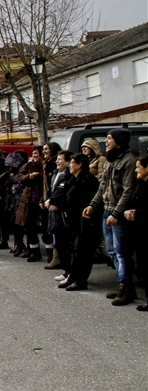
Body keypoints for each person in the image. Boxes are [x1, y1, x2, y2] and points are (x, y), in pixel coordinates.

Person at [84, 128, 137, 306]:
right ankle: (123, 283)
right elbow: (103, 186)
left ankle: (126, 287)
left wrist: (116, 213)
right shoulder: (109, 160)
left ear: (118, 141)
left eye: (109, 138)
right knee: (112, 251)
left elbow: (128, 190)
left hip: (118, 213)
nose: (106, 141)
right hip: (106, 209)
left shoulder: (128, 161)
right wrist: (92, 205)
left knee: (122, 252)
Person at [51, 153, 100, 291]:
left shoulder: (87, 180)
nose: (70, 165)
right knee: (74, 250)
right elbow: (66, 196)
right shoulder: (74, 179)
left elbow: (85, 201)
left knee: (83, 251)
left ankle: (81, 280)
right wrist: (54, 201)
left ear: (79, 165)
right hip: (74, 221)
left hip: (85, 222)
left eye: (72, 163)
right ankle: (73, 275)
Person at [123, 154, 148, 310]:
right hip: (138, 230)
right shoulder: (140, 184)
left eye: (139, 167)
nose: (136, 170)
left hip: (145, 229)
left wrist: (137, 213)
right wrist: (128, 212)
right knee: (142, 265)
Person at [44, 151, 72, 271]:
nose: (57, 162)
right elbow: (51, 190)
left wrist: (55, 203)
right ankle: (60, 262)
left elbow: (66, 194)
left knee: (64, 241)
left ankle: (67, 269)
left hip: (64, 213)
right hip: (53, 210)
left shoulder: (70, 176)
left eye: (60, 159)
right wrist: (49, 201)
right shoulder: (56, 173)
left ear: (68, 162)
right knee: (55, 235)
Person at [16, 147, 44, 262]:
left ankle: (52, 253)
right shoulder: (29, 165)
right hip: (29, 199)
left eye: (36, 153)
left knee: (46, 228)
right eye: (33, 153)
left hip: (42, 198)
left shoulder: (46, 165)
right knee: (29, 226)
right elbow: (20, 178)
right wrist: (29, 176)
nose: (34, 155)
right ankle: (33, 251)